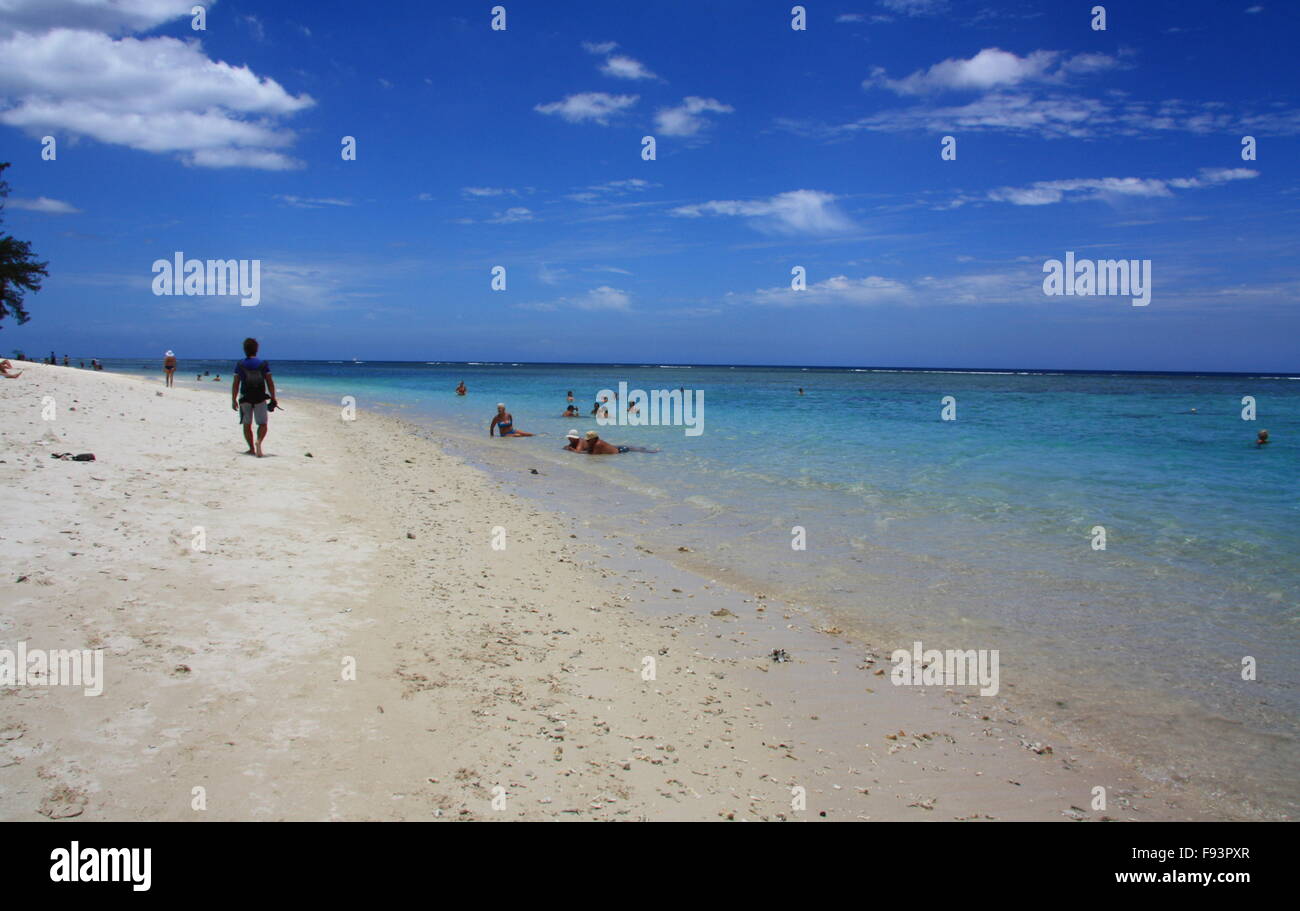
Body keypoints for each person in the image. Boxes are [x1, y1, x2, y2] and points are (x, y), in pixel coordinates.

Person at [231, 337, 277, 457]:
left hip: (245, 397)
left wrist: (233, 399)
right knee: (262, 423)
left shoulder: (240, 364)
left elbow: (236, 383)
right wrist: (273, 397)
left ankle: (251, 448)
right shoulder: (263, 364)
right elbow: (270, 382)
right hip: (260, 397)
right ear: (256, 349)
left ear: (244, 350)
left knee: (247, 424)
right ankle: (259, 441)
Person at [582, 430, 658, 454]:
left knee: (644, 451)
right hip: (617, 448)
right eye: (587, 440)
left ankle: (655, 450)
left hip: (622, 450)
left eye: (588, 440)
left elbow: (592, 455)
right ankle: (643, 448)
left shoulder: (598, 444)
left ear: (594, 439)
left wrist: (576, 452)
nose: (587, 441)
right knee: (638, 449)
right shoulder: (595, 443)